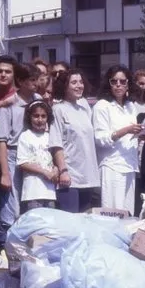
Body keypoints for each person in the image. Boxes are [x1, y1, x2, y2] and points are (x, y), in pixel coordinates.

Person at [0, 62, 42, 224]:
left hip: (35, 154)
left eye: (37, 79)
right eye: (32, 80)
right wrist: (5, 173)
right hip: (13, 154)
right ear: (21, 81)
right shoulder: (9, 104)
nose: (36, 84)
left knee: (32, 201)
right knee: (12, 205)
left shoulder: (38, 100)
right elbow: (1, 140)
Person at [93, 65, 142, 214]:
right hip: (112, 165)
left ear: (128, 84)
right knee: (112, 212)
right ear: (108, 84)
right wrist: (125, 130)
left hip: (130, 164)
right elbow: (100, 139)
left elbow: (132, 137)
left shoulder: (130, 106)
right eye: (114, 81)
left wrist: (141, 134)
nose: (118, 85)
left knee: (128, 213)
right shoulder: (102, 106)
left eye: (122, 81)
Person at [49, 69, 100, 213]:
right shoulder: (58, 109)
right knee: (70, 221)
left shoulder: (85, 110)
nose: (79, 86)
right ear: (64, 86)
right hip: (70, 176)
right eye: (74, 82)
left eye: (81, 82)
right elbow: (56, 143)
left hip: (88, 176)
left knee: (85, 222)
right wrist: (63, 170)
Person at [17, 101, 58, 212]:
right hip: (33, 192)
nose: (40, 120)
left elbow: (55, 160)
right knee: (36, 224)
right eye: (36, 116)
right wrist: (44, 172)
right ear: (29, 117)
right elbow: (22, 163)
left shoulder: (50, 136)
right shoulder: (25, 136)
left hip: (50, 192)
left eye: (43, 116)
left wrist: (56, 170)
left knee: (49, 224)